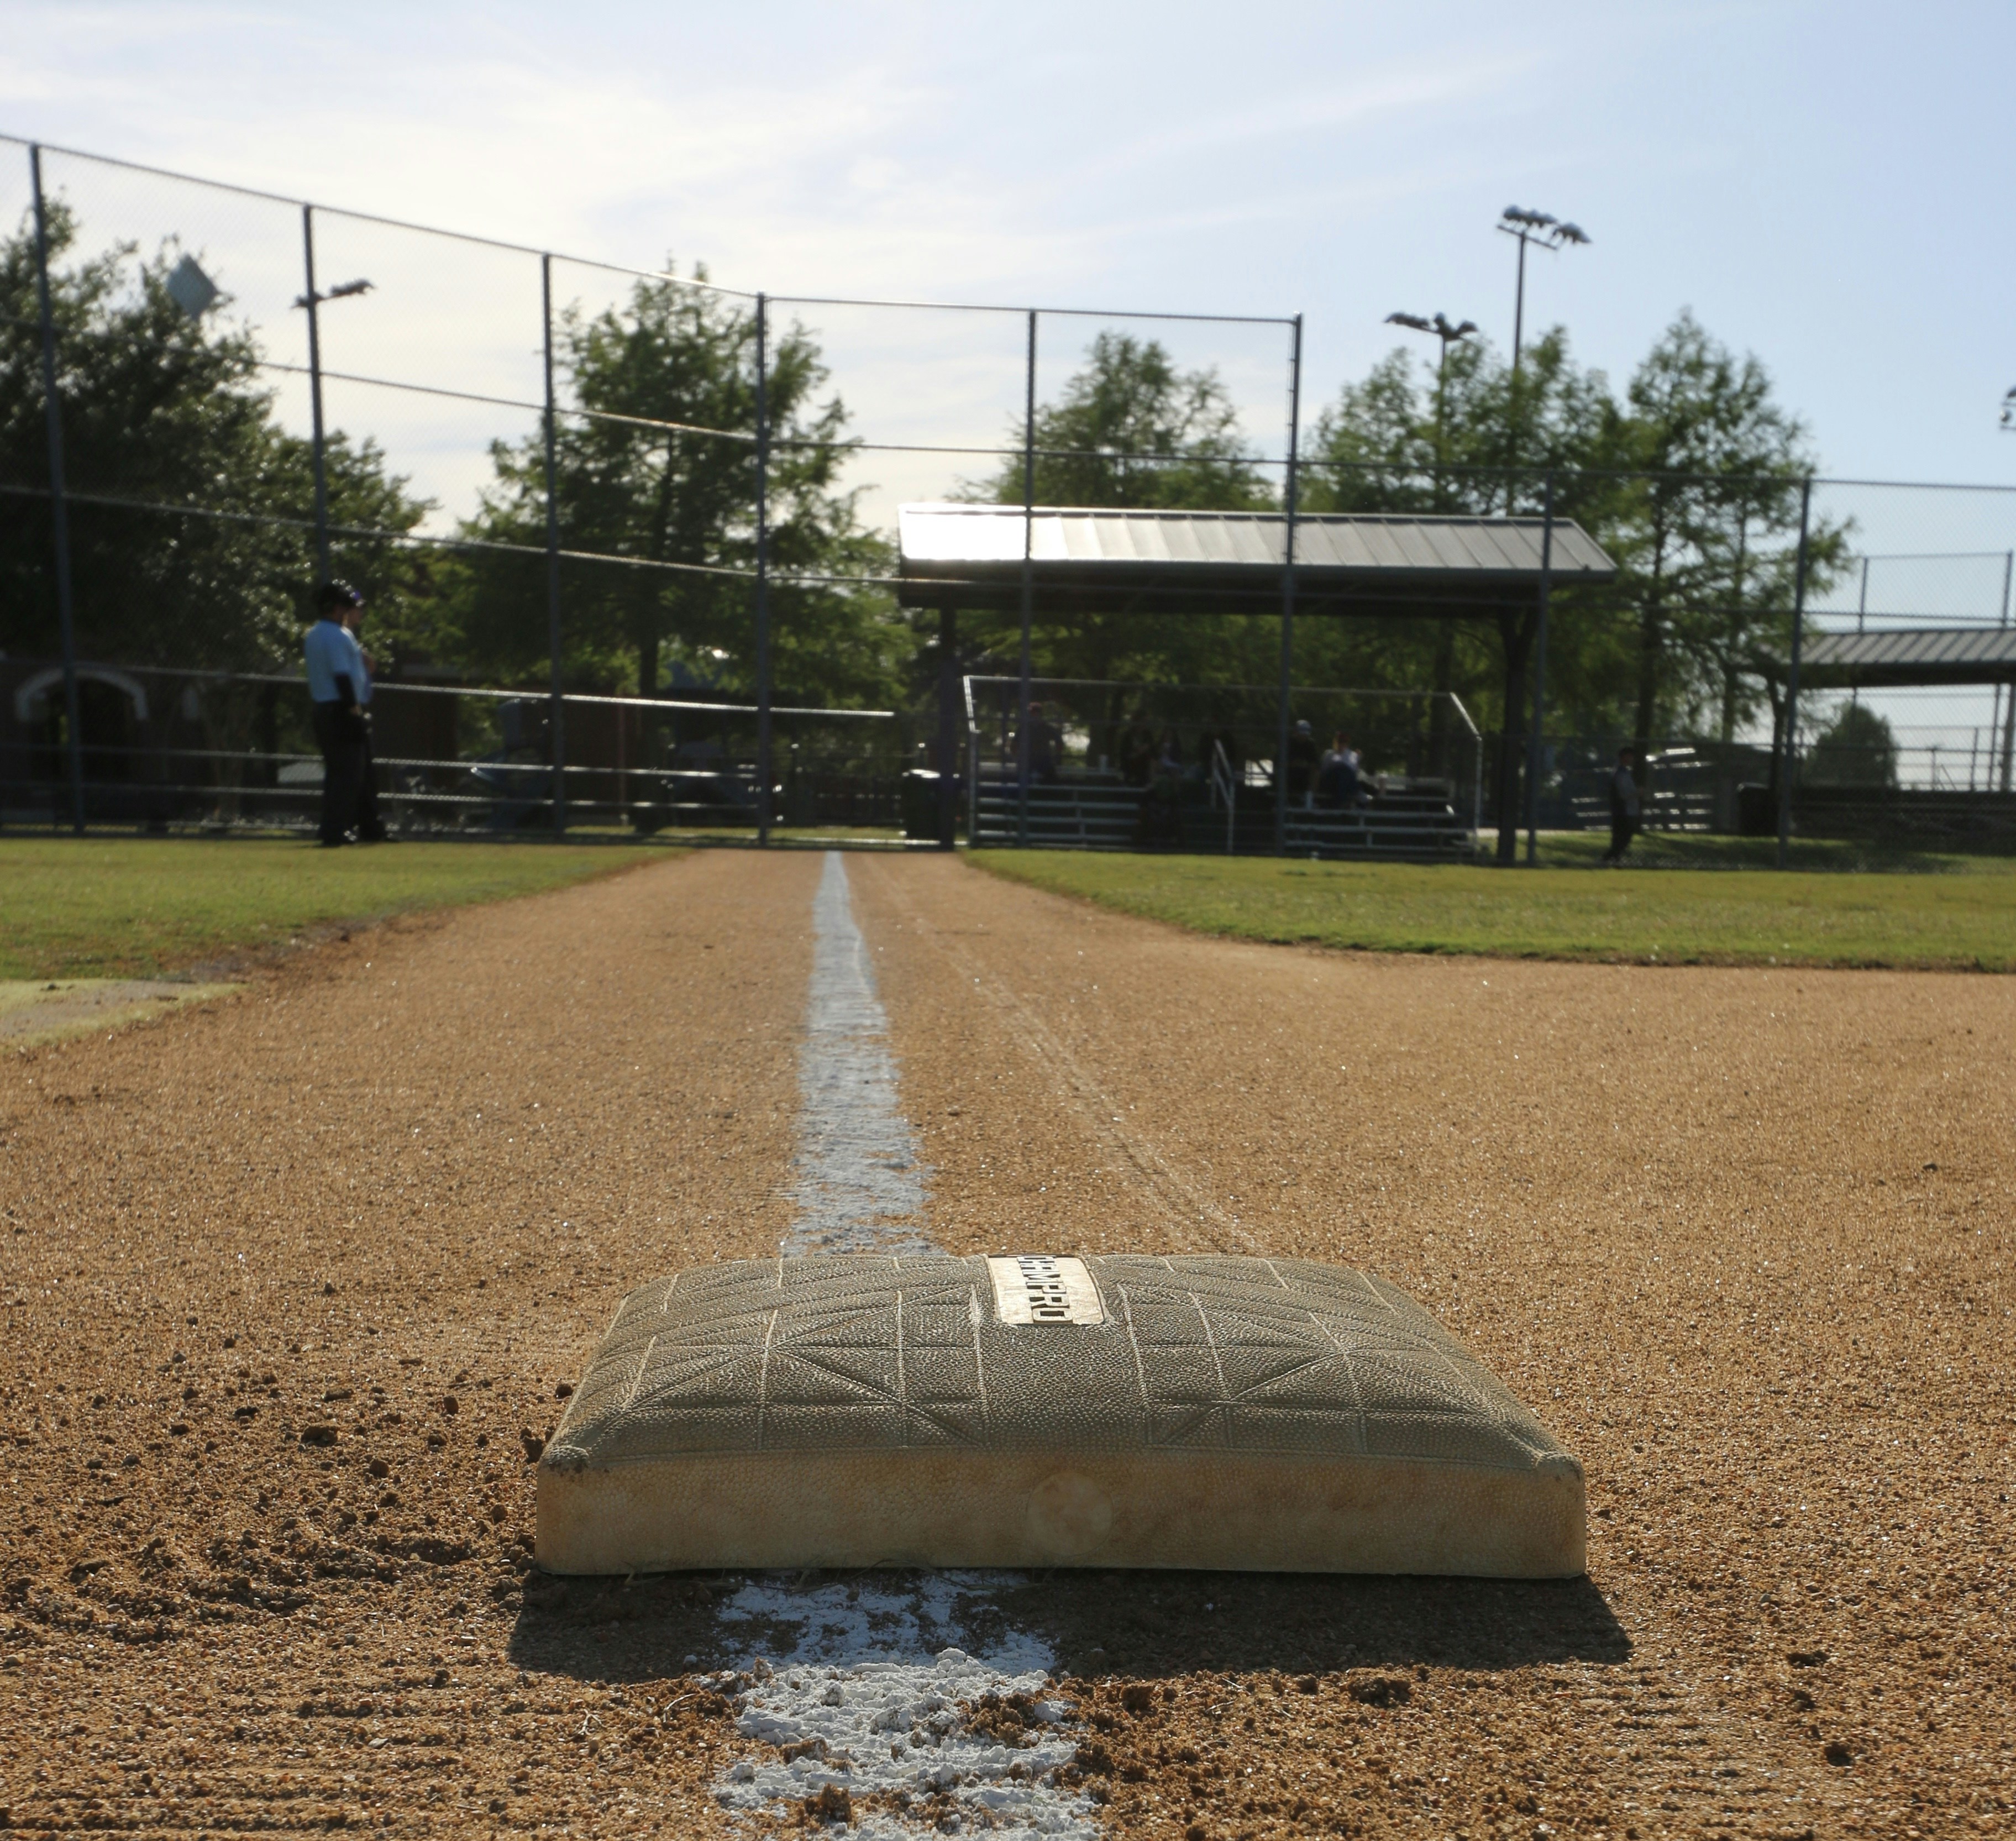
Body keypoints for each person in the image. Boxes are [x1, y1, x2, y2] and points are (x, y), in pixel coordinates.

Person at [303, 580, 374, 847]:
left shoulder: (314, 633)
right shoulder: (338, 635)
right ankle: (336, 829)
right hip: (340, 708)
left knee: (336, 772)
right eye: (346, 606)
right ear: (337, 608)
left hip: (322, 708)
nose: (349, 611)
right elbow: (342, 676)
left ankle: (330, 827)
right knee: (349, 774)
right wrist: (354, 711)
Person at [340, 594, 388, 842]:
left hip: (359, 707)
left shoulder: (350, 639)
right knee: (353, 772)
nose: (361, 614)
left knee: (365, 772)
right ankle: (348, 826)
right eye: (357, 609)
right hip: (348, 710)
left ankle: (371, 828)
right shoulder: (339, 636)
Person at [1603, 746, 1641, 863]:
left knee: (1622, 839)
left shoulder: (1624, 772)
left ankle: (1615, 861)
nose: (1633, 759)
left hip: (1625, 810)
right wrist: (1637, 793)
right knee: (1623, 838)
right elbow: (1623, 795)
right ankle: (1606, 859)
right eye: (1631, 756)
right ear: (1625, 757)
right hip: (1623, 811)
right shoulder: (1620, 773)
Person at [1316, 731, 1362, 810]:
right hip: (1332, 782)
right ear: (1335, 742)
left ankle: (1338, 805)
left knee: (1345, 774)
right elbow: (1323, 771)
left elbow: (1355, 773)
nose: (1342, 744)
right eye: (1340, 741)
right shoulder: (1329, 754)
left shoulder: (1353, 755)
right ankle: (1340, 804)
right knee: (1341, 771)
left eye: (1345, 742)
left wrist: (1358, 760)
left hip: (1347, 783)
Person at [1286, 718, 1320, 807]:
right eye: (1301, 734)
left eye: (1305, 734)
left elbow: (1315, 763)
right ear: (1296, 732)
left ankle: (1308, 798)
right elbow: (1283, 762)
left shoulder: (1310, 744)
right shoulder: (1289, 743)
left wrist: (1306, 765)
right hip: (1290, 773)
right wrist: (1296, 763)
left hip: (1305, 773)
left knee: (1316, 774)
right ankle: (1288, 801)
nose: (1303, 737)